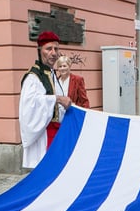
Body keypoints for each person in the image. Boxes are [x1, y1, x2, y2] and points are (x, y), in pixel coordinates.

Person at [19, 31, 72, 169]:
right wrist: (57, 99)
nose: (54, 53)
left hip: (56, 134)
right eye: (49, 49)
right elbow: (29, 106)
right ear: (39, 50)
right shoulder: (33, 77)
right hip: (43, 136)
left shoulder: (52, 74)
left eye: (56, 49)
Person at [50, 54, 89, 146]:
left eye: (64, 66)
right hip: (58, 120)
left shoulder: (77, 80)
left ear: (69, 66)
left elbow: (84, 101)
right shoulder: (54, 81)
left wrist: (84, 118)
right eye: (60, 66)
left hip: (72, 117)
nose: (62, 68)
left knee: (72, 143)